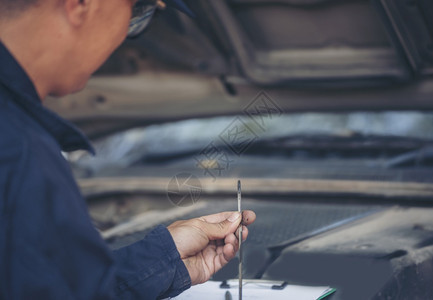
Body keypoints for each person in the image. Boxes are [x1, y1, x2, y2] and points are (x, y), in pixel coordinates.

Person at [0, 0, 256, 299]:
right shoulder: (17, 151)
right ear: (81, 5)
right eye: (139, 11)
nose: (125, 36)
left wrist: (166, 259)